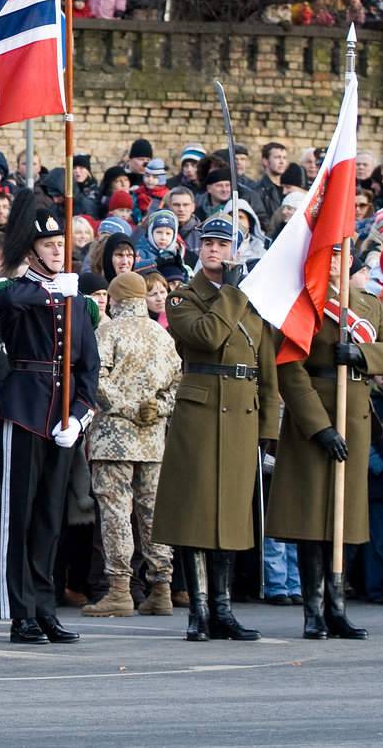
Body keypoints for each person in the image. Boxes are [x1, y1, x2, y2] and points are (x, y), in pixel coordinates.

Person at [266, 244, 383, 640]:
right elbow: (290, 369)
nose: (335, 262)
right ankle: (313, 611)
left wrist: (363, 353)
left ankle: (337, 607)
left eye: (340, 255)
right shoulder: (305, 303)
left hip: (357, 414)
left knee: (343, 521)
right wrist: (319, 426)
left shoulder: (367, 303)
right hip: (315, 419)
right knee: (313, 520)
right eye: (328, 254)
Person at [152, 215, 281, 642]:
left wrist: (269, 428)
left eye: (223, 245)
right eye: (207, 243)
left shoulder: (252, 302)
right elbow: (205, 336)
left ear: (235, 251)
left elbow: (266, 369)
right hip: (202, 412)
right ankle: (200, 609)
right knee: (196, 513)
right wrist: (232, 290)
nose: (214, 250)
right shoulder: (184, 298)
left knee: (229, 514)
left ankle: (223, 610)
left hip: (243, 411)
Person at [0, 192, 99, 644]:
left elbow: (88, 365)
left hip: (62, 417)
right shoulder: (18, 291)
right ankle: (21, 611)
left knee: (51, 517)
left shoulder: (75, 300)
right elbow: (3, 297)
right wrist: (49, 290)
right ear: (31, 251)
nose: (58, 250)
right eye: (48, 244)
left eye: (61, 244)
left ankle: (45, 606)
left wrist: (79, 415)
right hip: (26, 409)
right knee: (21, 515)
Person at [82, 272, 179, 618]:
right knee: (154, 514)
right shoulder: (161, 335)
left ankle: (120, 589)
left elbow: (96, 378)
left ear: (115, 297)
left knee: (116, 514)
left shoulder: (106, 331)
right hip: (152, 438)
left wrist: (125, 407)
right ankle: (161, 588)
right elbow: (176, 384)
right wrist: (157, 409)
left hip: (113, 438)